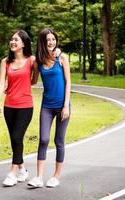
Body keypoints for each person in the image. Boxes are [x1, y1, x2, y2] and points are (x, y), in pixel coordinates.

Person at [28, 28, 71, 188]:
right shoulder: (38, 62)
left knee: (59, 140)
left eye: (53, 39)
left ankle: (56, 176)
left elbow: (68, 82)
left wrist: (66, 105)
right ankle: (39, 177)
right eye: (48, 40)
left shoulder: (62, 57)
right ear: (42, 43)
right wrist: (11, 82)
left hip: (62, 106)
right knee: (43, 139)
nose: (51, 42)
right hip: (46, 106)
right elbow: (32, 81)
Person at [0, 29, 38, 187]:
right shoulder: (5, 62)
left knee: (17, 137)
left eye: (16, 40)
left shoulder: (32, 60)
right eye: (11, 39)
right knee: (14, 139)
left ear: (24, 43)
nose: (12, 42)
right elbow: (1, 83)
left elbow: (34, 80)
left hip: (25, 106)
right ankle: (22, 169)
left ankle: (12, 173)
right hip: (9, 106)